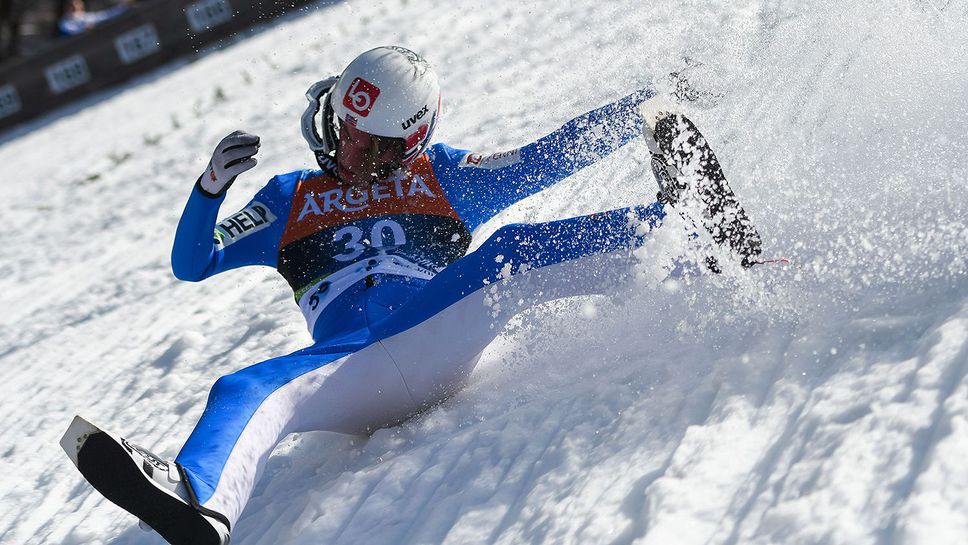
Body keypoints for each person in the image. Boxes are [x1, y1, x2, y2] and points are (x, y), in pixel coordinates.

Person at [62, 46, 755, 545]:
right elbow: (193, 265)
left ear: (411, 142)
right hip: (347, 367)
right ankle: (202, 506)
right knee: (243, 387)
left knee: (509, 254)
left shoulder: (443, 175)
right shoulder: (285, 199)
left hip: (436, 332)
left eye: (374, 147)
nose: (352, 153)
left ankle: (694, 234)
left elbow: (548, 156)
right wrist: (208, 189)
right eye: (348, 134)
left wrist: (652, 102)